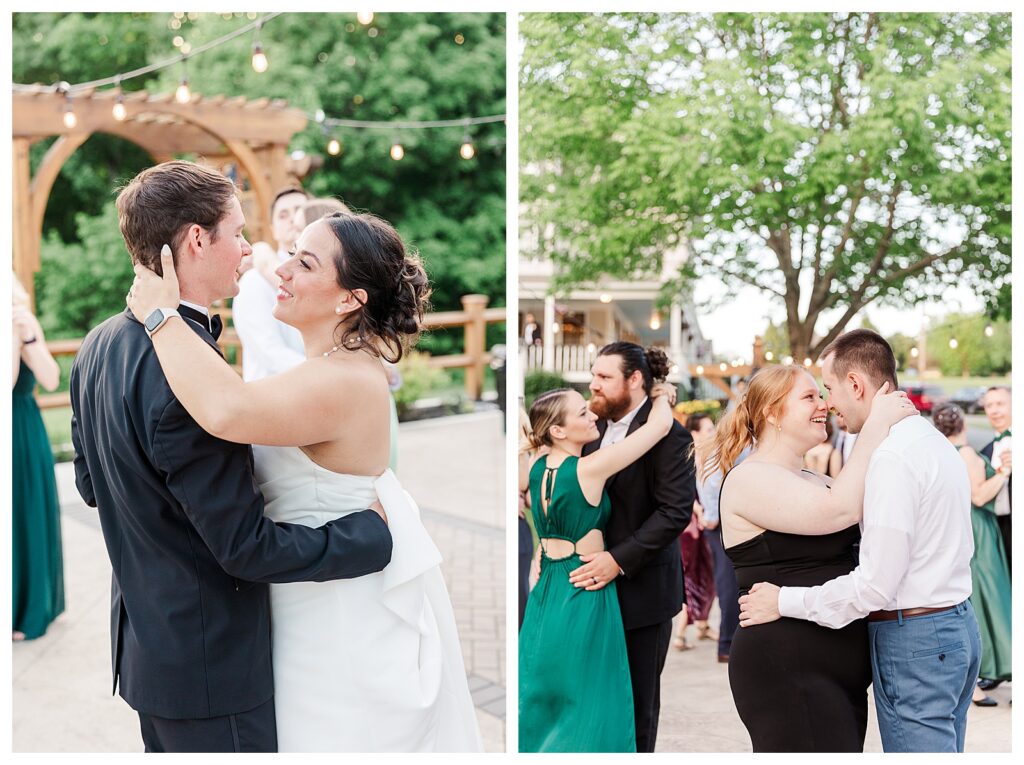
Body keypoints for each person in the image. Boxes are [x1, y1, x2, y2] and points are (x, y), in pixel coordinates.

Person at [124, 184, 481, 750]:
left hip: (335, 613)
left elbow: (227, 410)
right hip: (306, 597)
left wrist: (161, 317)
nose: (280, 268)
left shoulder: (341, 380)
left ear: (349, 299)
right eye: (291, 254)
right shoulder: (331, 368)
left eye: (305, 262)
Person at [69, 160, 396, 753]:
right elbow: (244, 547)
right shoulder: (192, 381)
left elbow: (92, 485)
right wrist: (370, 538)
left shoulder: (97, 345)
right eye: (238, 232)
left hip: (146, 651)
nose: (250, 251)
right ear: (197, 239)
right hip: (210, 664)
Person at [739, 329, 981, 753]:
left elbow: (873, 586)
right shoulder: (932, 442)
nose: (828, 404)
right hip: (954, 626)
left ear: (856, 385)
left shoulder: (890, 458)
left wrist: (783, 601)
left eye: (828, 389)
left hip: (917, 641)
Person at [700, 360, 914, 752]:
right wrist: (877, 424)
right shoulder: (750, 478)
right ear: (771, 412)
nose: (825, 405)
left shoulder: (818, 479)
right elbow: (841, 510)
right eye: (809, 396)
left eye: (822, 395)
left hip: (835, 676)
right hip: (787, 670)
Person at [518, 382, 676, 752]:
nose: (593, 415)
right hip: (585, 587)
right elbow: (659, 429)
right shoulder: (588, 468)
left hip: (547, 591)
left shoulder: (539, 466)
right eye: (582, 413)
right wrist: (661, 396)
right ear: (558, 430)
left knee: (547, 697)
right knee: (594, 698)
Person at [578, 343, 693, 752]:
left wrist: (618, 560)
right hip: (585, 590)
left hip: (642, 593)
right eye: (593, 375)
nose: (593, 384)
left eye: (604, 377)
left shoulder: (670, 435)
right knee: (592, 698)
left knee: (637, 705)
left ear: (635, 380)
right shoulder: (587, 429)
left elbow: (674, 512)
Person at [933, 403, 1011, 705]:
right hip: (979, 529)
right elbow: (979, 495)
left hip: (957, 527)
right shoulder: (967, 454)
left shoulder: (941, 454)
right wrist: (1004, 471)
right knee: (990, 598)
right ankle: (984, 675)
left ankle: (983, 675)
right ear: (962, 424)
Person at [12, 275, 64, 642]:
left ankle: (30, 607)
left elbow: (50, 377)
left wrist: (28, 338)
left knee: (27, 510)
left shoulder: (24, 323)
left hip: (25, 429)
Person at [232, 185, 309, 381]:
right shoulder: (254, 281)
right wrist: (333, 374)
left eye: (300, 211)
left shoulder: (326, 277)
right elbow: (270, 353)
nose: (293, 219)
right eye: (283, 215)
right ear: (273, 230)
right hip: (274, 399)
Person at [673, 413, 717, 651]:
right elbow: (680, 491)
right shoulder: (685, 456)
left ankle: (703, 624)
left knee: (707, 573)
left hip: (704, 523)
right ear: (695, 433)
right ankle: (680, 634)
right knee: (690, 575)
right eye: (709, 429)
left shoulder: (708, 455)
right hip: (689, 527)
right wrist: (697, 509)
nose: (713, 433)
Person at [979, 386, 1011, 575]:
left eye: (1000, 404)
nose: (994, 410)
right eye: (989, 405)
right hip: (997, 536)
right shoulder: (985, 452)